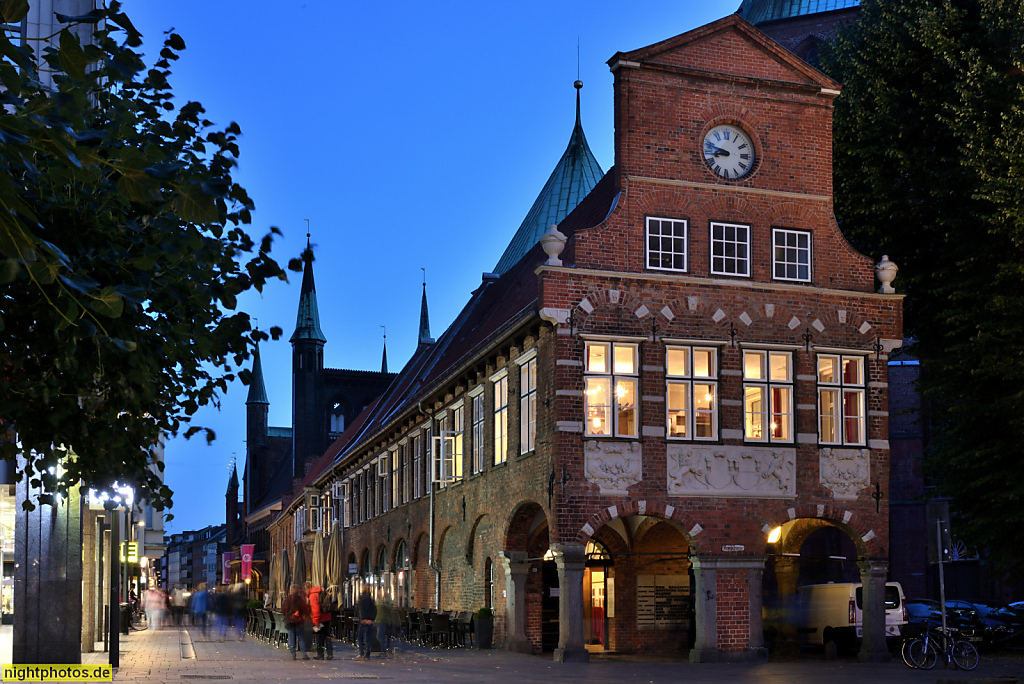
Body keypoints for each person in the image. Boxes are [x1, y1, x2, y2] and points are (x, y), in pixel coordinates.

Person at [283, 584, 310, 660]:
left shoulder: (287, 599)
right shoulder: (300, 600)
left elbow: (284, 610)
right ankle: (304, 654)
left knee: (291, 637)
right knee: (301, 637)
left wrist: (288, 615)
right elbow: (305, 610)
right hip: (299, 621)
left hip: (289, 621)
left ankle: (293, 655)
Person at [308, 583, 333, 660]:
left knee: (319, 637)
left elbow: (315, 610)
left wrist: (316, 622)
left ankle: (320, 654)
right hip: (327, 617)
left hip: (320, 619)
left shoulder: (313, 595)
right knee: (327, 636)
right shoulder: (324, 592)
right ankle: (330, 653)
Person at [356, 589, 376, 659]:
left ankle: (361, 653)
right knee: (368, 638)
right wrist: (371, 619)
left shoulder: (361, 600)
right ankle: (367, 654)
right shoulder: (371, 601)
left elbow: (360, 610)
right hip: (370, 621)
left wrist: (362, 619)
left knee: (360, 637)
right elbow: (374, 610)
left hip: (363, 621)